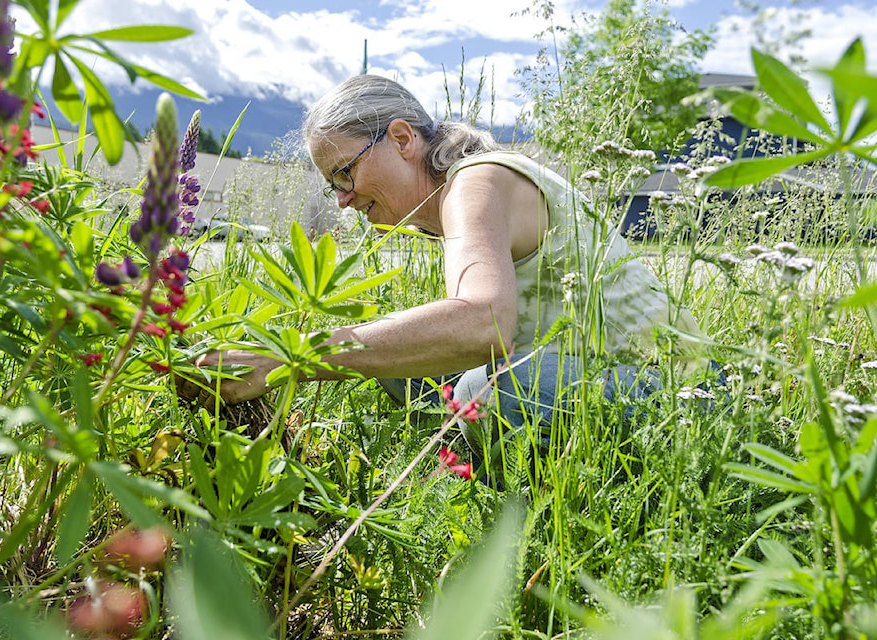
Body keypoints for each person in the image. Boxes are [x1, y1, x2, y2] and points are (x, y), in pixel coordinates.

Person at [182, 74, 712, 460]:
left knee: (478, 390)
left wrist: (292, 359)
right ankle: (466, 488)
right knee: (407, 371)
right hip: (600, 380)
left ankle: (529, 524)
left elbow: (485, 322)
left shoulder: (475, 183)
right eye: (332, 186)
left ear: (402, 139)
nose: (342, 200)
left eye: (345, 173)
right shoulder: (449, 202)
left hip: (678, 398)